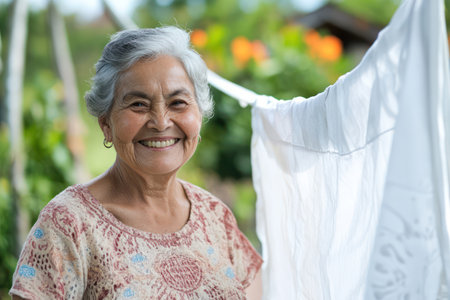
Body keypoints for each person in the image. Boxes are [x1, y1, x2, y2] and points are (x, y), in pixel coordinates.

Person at [9, 26, 263, 300]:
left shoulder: (214, 216)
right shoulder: (68, 223)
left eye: (178, 102)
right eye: (139, 105)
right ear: (106, 123)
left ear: (199, 115)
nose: (161, 122)